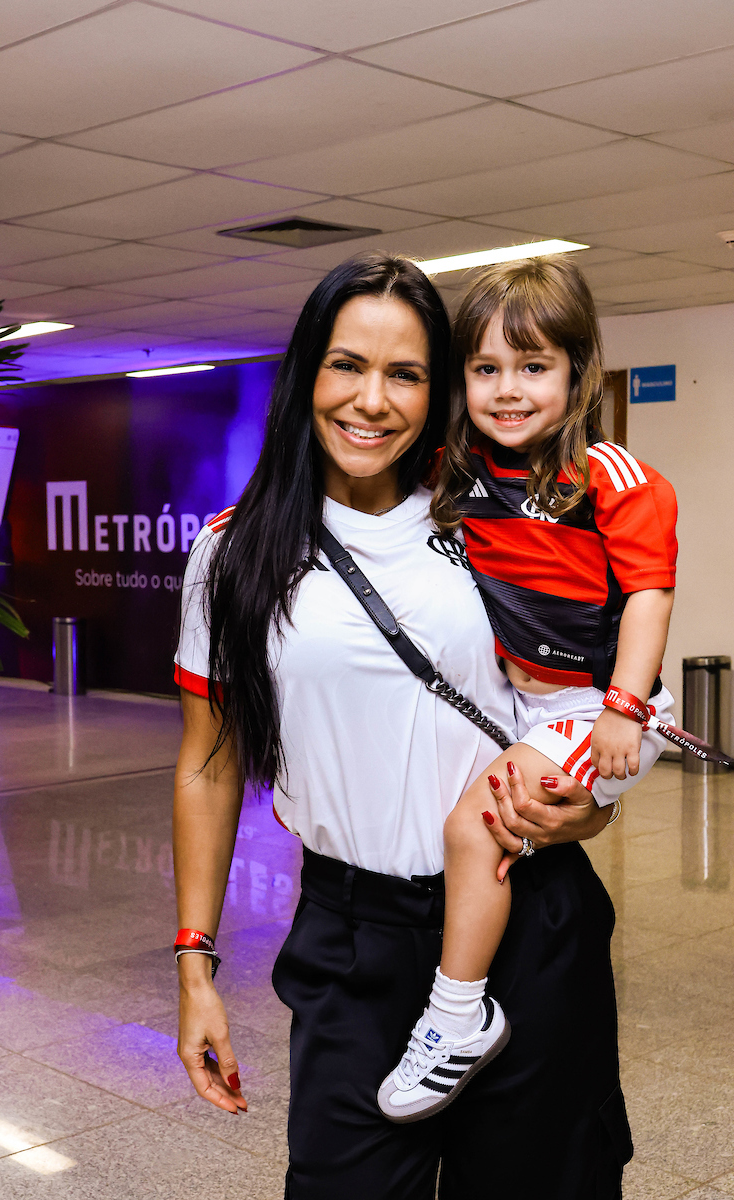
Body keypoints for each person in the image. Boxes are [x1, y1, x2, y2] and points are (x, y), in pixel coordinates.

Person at [172, 252, 630, 1200]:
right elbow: (209, 766)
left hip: (526, 919)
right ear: (308, 373)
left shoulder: (490, 524)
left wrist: (587, 810)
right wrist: (195, 965)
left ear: (439, 391)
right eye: (348, 365)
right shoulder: (233, 552)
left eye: (406, 373)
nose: (371, 401)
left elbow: (576, 695)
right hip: (353, 940)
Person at [379, 255, 677, 1123]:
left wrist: (623, 709)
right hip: (521, 700)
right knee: (486, 829)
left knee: (475, 828)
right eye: (485, 369)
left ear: (578, 373)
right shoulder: (463, 472)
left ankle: (457, 1018)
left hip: (601, 706)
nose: (508, 390)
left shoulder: (614, 479)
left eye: (534, 366)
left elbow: (649, 598)